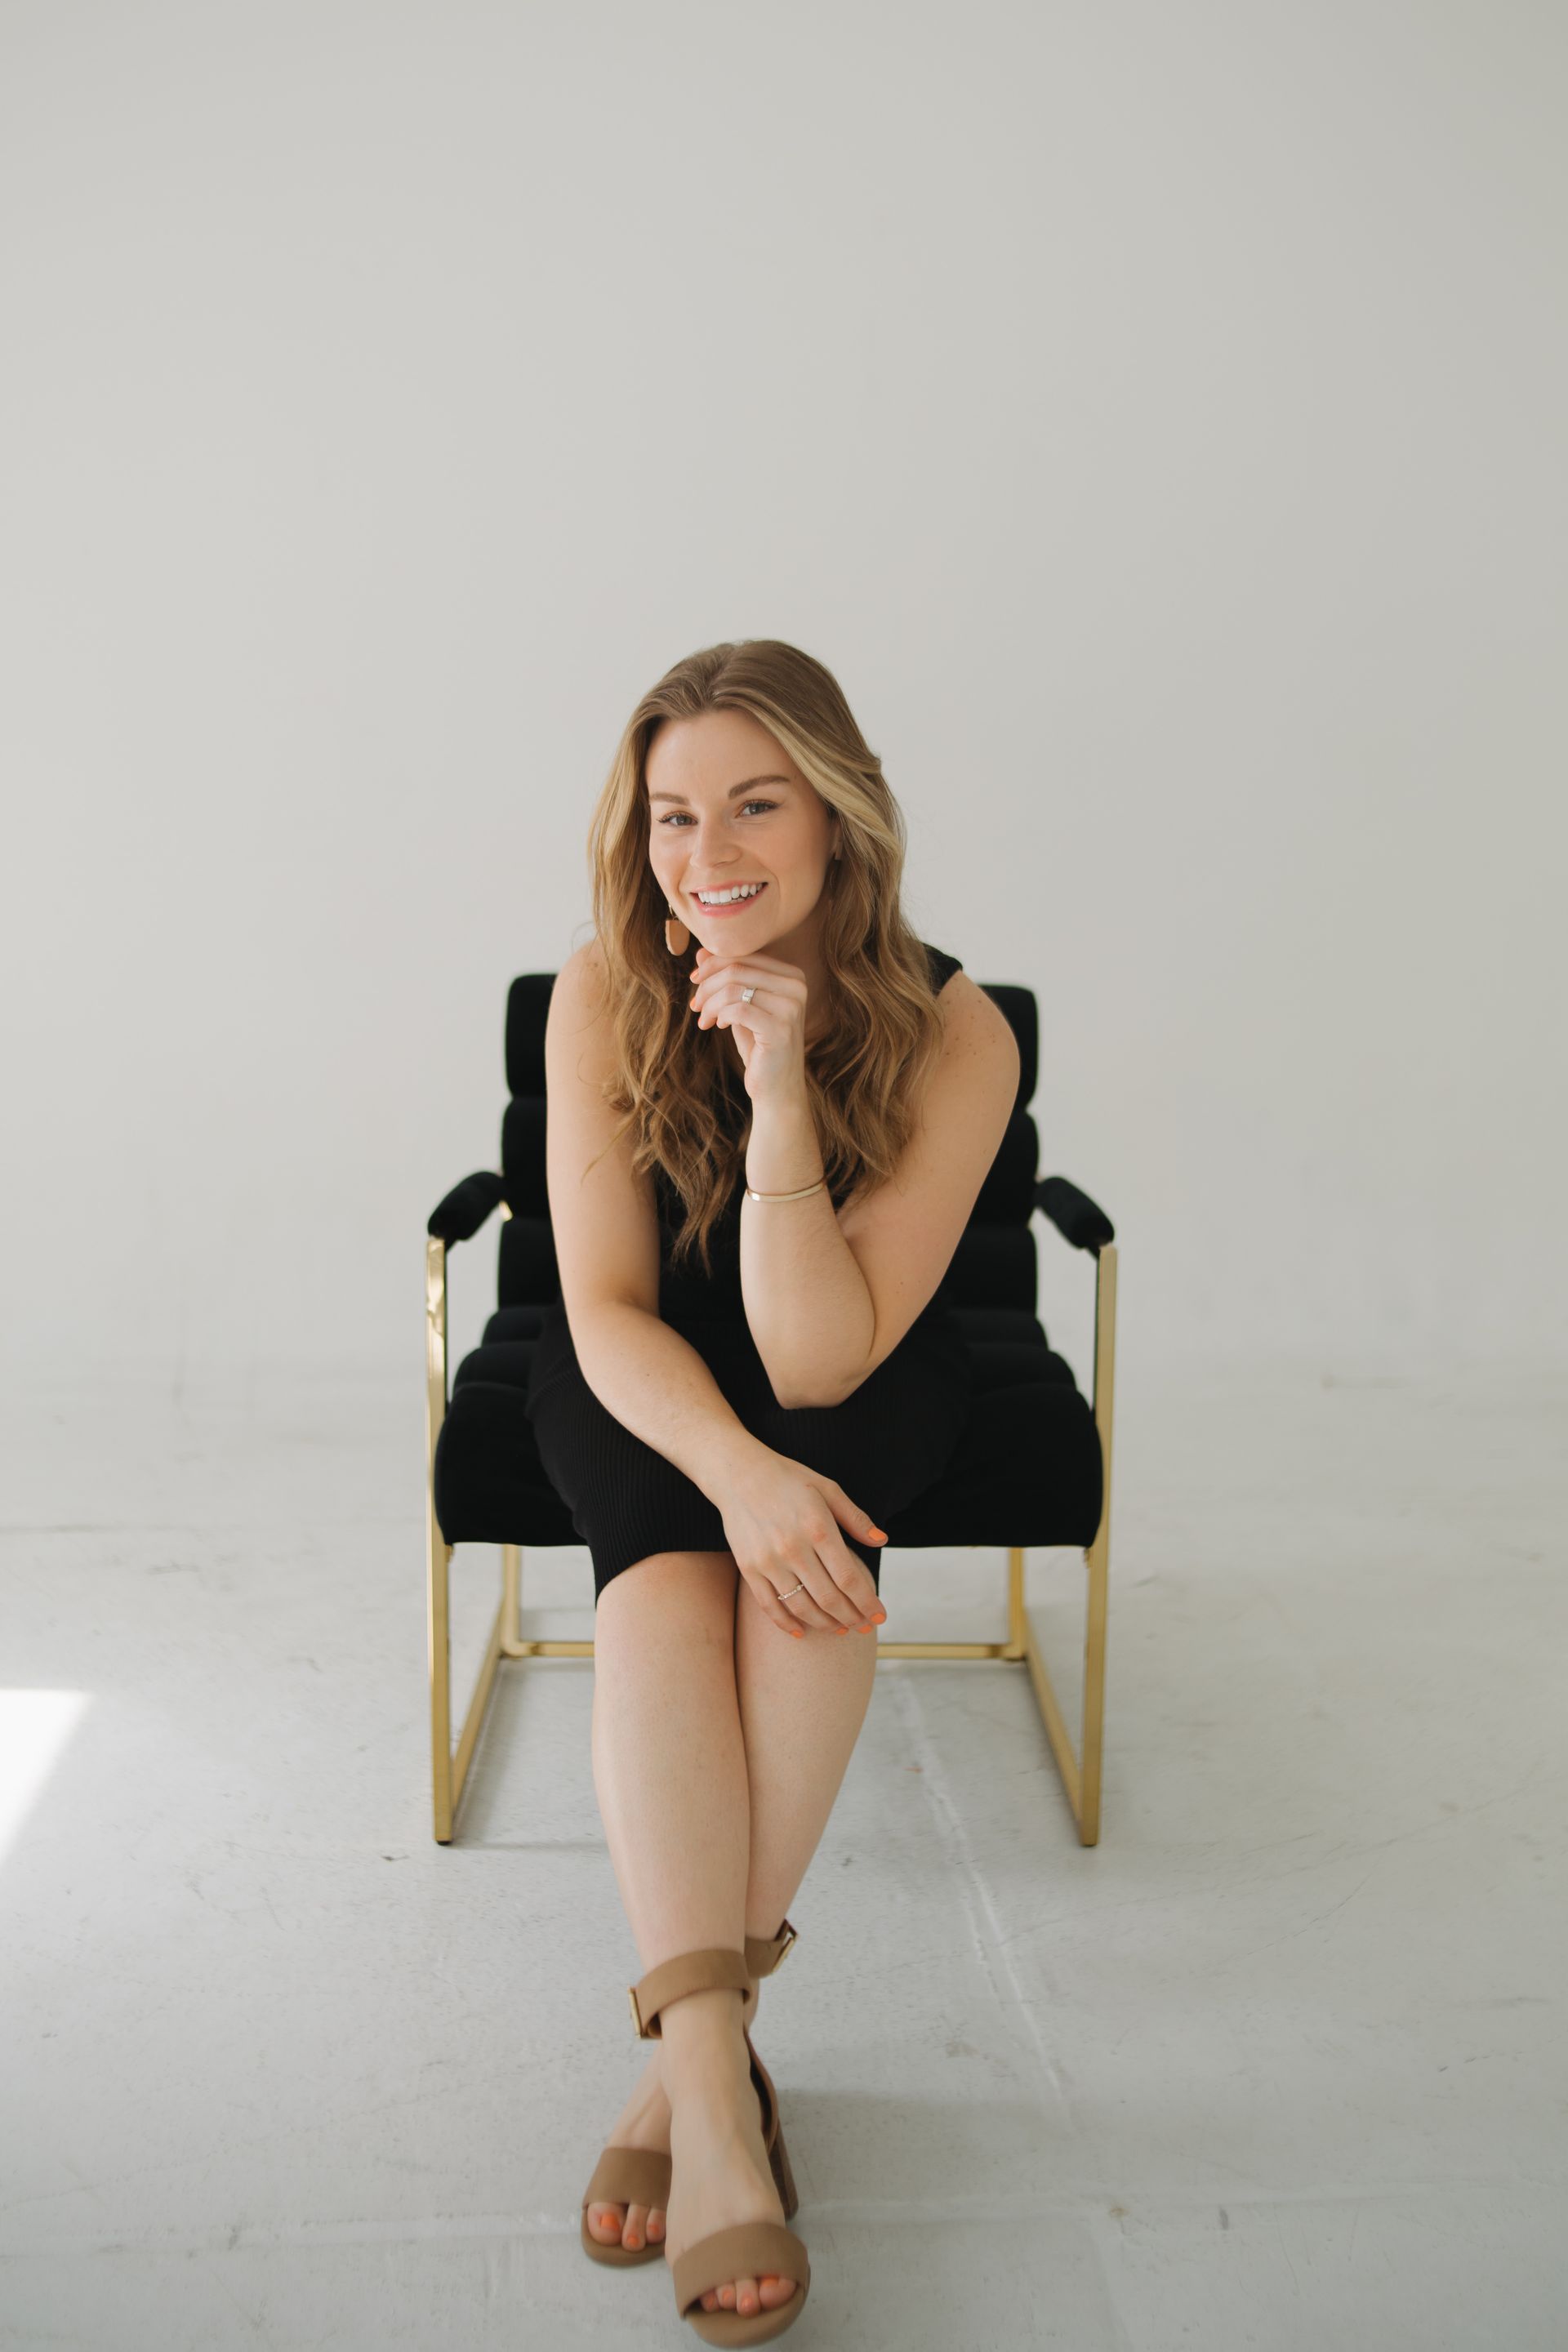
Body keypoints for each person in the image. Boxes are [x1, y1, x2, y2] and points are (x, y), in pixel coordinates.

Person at [526, 637, 1019, 2342]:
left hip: (858, 1364)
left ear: (835, 816)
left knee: (810, 1570)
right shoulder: (602, 987)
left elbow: (818, 1364)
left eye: (755, 802)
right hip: (648, 1375)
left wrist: (784, 1088)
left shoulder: (959, 1033)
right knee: (668, 1584)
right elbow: (599, 1305)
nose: (708, 852)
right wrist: (727, 1475)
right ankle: (724, 2086)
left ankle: (687, 2086)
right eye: (672, 813)